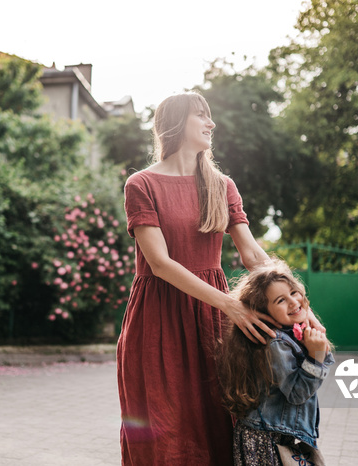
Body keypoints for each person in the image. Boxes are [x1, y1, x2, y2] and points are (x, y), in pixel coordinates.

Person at [117, 92, 325, 465]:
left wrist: (299, 303)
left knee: (221, 419)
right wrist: (230, 303)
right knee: (163, 423)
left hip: (211, 319)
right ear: (177, 123)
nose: (211, 124)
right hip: (158, 318)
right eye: (201, 116)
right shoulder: (141, 184)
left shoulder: (222, 185)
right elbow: (160, 263)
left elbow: (252, 255)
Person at [217, 260, 334, 466]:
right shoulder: (276, 343)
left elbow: (324, 356)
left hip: (278, 434)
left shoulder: (292, 333)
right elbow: (297, 393)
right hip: (265, 438)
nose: (293, 302)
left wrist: (316, 345)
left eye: (293, 292)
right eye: (280, 300)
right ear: (264, 312)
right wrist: (315, 357)